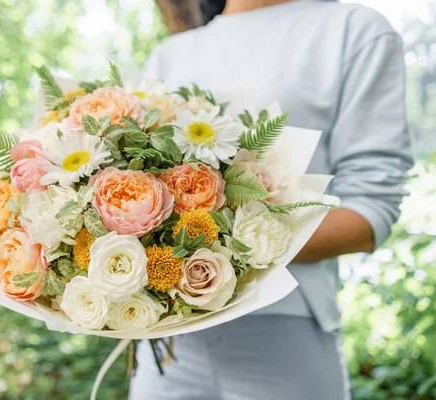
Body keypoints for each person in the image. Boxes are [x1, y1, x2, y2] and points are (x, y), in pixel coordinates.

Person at [129, 0, 414, 399]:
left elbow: (370, 211)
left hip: (286, 334)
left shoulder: (352, 29)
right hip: (169, 345)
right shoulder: (170, 55)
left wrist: (213, 255)